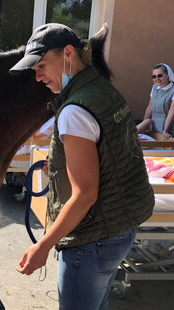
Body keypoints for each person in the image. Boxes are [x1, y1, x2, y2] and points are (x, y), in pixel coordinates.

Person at [9, 23, 154, 310]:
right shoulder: (101, 89)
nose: (37, 77)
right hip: (119, 228)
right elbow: (111, 150)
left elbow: (86, 193)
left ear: (68, 53)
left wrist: (44, 245)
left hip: (92, 240)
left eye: (41, 66)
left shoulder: (75, 110)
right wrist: (61, 163)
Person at [137, 63, 174, 138]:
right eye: (154, 76)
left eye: (160, 76)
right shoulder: (154, 87)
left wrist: (165, 130)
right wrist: (143, 126)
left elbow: (172, 112)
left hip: (168, 125)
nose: (156, 79)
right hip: (154, 124)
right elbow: (149, 108)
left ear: (167, 75)